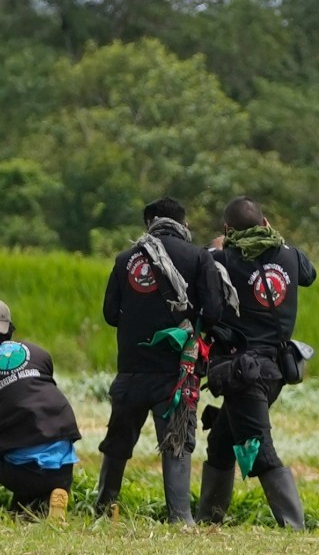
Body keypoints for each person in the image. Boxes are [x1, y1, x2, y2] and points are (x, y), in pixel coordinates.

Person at [95, 197, 223, 523]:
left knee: (118, 442)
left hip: (132, 369)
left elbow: (111, 314)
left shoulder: (125, 260)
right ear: (184, 223)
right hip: (176, 373)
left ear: (149, 222)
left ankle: (104, 509)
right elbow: (215, 311)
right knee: (177, 443)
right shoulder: (196, 258)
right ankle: (180, 517)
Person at [199, 196, 314, 528]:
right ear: (266, 224)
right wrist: (271, 237)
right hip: (276, 369)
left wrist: (219, 246)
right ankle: (209, 520)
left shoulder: (224, 260)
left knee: (259, 450)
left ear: (227, 230)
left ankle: (294, 527)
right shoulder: (290, 256)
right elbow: (309, 273)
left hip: (244, 372)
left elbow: (202, 263)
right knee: (221, 441)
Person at [0, 296, 82, 522]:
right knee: (29, 433)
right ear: (10, 330)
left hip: (24, 473)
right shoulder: (39, 353)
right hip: (64, 469)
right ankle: (42, 502)